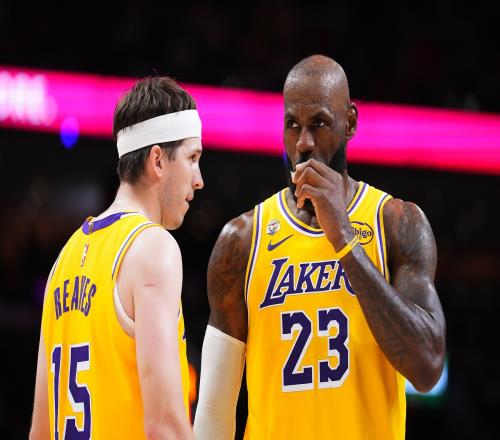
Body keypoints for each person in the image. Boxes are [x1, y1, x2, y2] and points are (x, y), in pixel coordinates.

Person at [194, 55, 446, 439]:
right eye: (292, 125)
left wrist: (343, 237)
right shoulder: (242, 240)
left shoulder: (396, 223)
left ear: (350, 122)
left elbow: (428, 369)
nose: (304, 143)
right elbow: (213, 412)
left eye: (320, 123)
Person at [29, 76, 203, 440]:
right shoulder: (153, 247)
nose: (198, 179)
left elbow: (40, 431)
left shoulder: (64, 257)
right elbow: (164, 425)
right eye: (192, 158)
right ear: (158, 160)